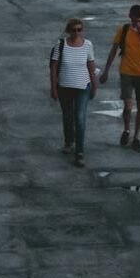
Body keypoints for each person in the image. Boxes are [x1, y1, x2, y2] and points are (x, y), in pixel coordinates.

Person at [99, 3, 140, 151]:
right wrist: (106, 71)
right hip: (126, 72)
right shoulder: (123, 30)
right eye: (135, 21)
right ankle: (126, 129)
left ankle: (136, 136)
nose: (137, 24)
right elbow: (113, 51)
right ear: (130, 17)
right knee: (128, 105)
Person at [49, 17, 97, 167]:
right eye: (74, 30)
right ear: (68, 31)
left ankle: (80, 152)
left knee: (80, 119)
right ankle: (69, 141)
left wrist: (94, 85)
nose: (76, 33)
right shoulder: (61, 45)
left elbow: (91, 65)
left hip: (83, 87)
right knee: (68, 116)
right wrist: (53, 87)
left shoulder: (88, 45)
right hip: (64, 87)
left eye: (79, 30)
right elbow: (54, 67)